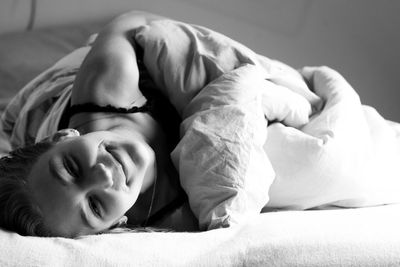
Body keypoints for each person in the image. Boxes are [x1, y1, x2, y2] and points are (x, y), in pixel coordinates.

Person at [1, 10, 398, 238]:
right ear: (118, 223)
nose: (103, 175)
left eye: (71, 166)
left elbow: (130, 23)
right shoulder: (157, 220)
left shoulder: (106, 90)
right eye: (95, 205)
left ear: (62, 137)